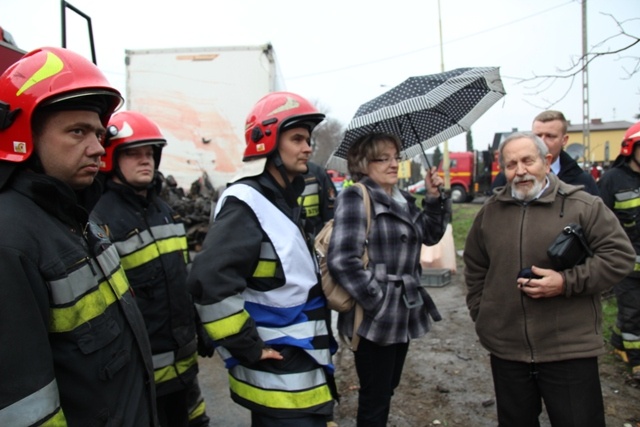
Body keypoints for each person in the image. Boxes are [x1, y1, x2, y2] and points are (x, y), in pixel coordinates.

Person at [0, 47, 158, 425]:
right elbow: (26, 409)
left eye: (99, 134)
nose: (98, 148)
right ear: (24, 135)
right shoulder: (10, 241)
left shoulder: (77, 217)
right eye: (77, 132)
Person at [187, 91, 337, 427]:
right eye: (297, 138)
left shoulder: (283, 198)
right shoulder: (247, 203)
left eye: (308, 139)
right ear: (267, 141)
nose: (308, 147)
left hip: (296, 369)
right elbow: (208, 281)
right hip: (279, 379)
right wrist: (247, 346)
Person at [464, 132, 634, 426]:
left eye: (528, 161)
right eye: (511, 164)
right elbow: (475, 267)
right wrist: (483, 313)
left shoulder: (584, 206)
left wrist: (566, 282)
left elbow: (619, 257)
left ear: (547, 161)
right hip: (508, 352)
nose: (520, 171)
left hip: (568, 349)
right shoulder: (490, 213)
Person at [91, 111, 212, 427]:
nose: (145, 161)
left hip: (184, 365)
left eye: (150, 153)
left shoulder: (165, 212)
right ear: (111, 158)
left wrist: (199, 326)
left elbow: (180, 280)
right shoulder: (99, 220)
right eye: (133, 153)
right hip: (140, 374)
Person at [327, 132, 450, 427]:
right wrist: (377, 302)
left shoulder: (402, 198)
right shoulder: (356, 196)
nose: (393, 164)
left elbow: (430, 235)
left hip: (402, 312)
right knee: (375, 397)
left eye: (396, 156)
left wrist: (434, 197)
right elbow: (343, 259)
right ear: (363, 163)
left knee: (387, 389)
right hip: (374, 318)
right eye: (383, 158)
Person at [597, 121, 640, 381]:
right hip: (626, 265)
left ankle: (617, 340)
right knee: (633, 313)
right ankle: (637, 362)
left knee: (630, 313)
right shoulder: (613, 180)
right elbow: (600, 221)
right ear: (630, 148)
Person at [491, 110, 599, 196]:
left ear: (564, 140)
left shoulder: (582, 181)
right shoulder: (508, 177)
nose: (542, 141)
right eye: (537, 136)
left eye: (550, 136)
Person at [300, 160, 337, 236]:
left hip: (315, 242)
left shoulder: (318, 173)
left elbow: (330, 217)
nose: (308, 150)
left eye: (309, 146)